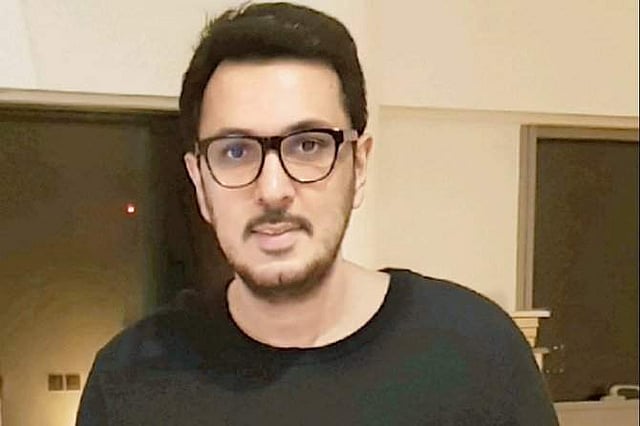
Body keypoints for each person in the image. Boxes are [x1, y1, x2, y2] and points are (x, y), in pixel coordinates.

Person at [76, 2, 559, 425]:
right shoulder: (131, 380)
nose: (273, 190)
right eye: (235, 151)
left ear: (359, 164)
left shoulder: (479, 354)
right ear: (200, 181)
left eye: (308, 145)